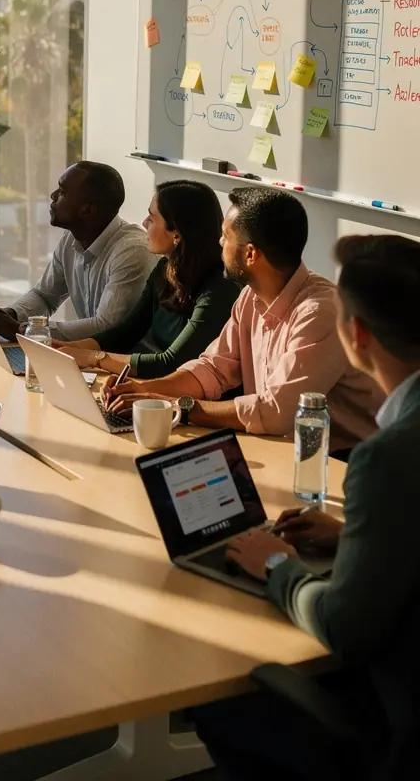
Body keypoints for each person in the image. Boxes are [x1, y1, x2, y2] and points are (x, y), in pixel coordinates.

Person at [189, 234, 420, 781]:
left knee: (216, 692)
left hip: (395, 731)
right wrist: (351, 533)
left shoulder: (387, 457)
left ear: (356, 336)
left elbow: (341, 628)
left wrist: (275, 564)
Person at [104, 187, 383, 450]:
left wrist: (179, 407)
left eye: (226, 236)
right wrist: (142, 390)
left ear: (250, 254)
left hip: (339, 460)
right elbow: (213, 369)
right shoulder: (251, 296)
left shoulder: (319, 313)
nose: (219, 242)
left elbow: (276, 412)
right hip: (281, 447)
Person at [55, 180, 240, 376]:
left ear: (176, 234)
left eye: (152, 218)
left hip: (191, 391)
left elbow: (172, 363)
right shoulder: (165, 268)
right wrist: (65, 348)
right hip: (162, 386)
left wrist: (92, 358)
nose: (144, 223)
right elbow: (126, 333)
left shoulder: (219, 288)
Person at [0, 161, 153, 342]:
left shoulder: (132, 251)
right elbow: (44, 296)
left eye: (62, 192)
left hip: (124, 358)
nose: (53, 196)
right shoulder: (70, 239)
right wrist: (10, 314)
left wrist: (23, 330)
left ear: (87, 210)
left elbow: (105, 326)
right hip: (89, 354)